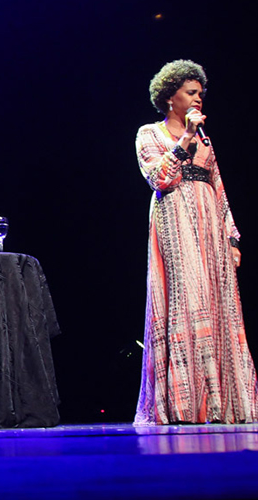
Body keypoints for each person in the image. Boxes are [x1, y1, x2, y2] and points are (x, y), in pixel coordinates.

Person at [134, 60, 257, 424]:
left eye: (201, 94)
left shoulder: (206, 140)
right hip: (175, 223)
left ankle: (225, 404)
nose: (199, 99)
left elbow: (218, 187)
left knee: (218, 304)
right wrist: (185, 138)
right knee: (187, 300)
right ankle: (186, 404)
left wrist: (232, 237)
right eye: (191, 93)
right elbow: (159, 179)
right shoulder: (149, 133)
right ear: (171, 97)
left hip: (210, 229)